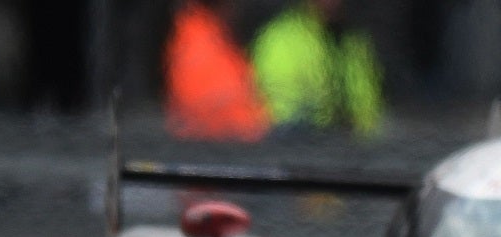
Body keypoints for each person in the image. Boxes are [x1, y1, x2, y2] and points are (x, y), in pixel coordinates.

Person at [252, 0, 386, 136]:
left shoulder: (354, 41)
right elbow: (278, 113)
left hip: (354, 147)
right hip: (301, 146)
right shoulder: (280, 40)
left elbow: (369, 110)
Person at [164, 0, 270, 140]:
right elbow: (204, 108)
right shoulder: (197, 43)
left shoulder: (216, 34)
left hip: (235, 143)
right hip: (215, 145)